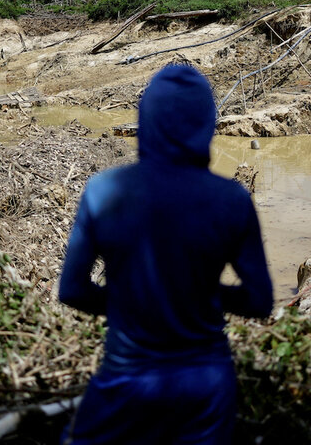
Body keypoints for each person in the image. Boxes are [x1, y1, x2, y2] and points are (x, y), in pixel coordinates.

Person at [58, 64, 274, 444]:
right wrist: (199, 293)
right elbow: (260, 301)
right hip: (205, 389)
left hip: (127, 382)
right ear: (206, 125)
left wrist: (132, 299)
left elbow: (72, 290)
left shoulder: (103, 191)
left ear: (146, 121)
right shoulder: (231, 200)